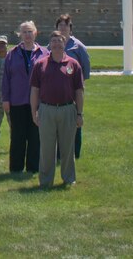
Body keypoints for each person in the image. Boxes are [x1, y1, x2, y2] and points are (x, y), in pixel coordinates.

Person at [30, 31, 84, 189]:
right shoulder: (41, 65)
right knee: (46, 148)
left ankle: (69, 178)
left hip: (68, 110)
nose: (56, 44)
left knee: (67, 147)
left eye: (59, 41)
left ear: (64, 43)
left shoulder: (73, 64)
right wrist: (34, 112)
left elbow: (79, 91)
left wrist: (79, 113)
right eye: (53, 41)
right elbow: (34, 90)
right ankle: (46, 181)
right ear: (50, 45)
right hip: (47, 110)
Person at [2, 20, 48, 175]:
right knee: (18, 136)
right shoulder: (12, 54)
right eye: (24, 32)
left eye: (30, 31)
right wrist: (6, 99)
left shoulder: (44, 53)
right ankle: (16, 168)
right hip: (17, 101)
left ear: (35, 33)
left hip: (38, 103)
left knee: (35, 136)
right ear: (19, 34)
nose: (27, 35)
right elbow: (6, 79)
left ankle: (33, 167)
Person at [56, 14, 90, 158]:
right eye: (60, 26)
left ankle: (75, 153)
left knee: (75, 121)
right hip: (55, 90)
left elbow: (86, 69)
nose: (63, 28)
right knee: (57, 123)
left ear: (71, 28)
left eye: (66, 25)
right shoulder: (52, 45)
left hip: (73, 91)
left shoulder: (78, 47)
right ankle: (58, 154)